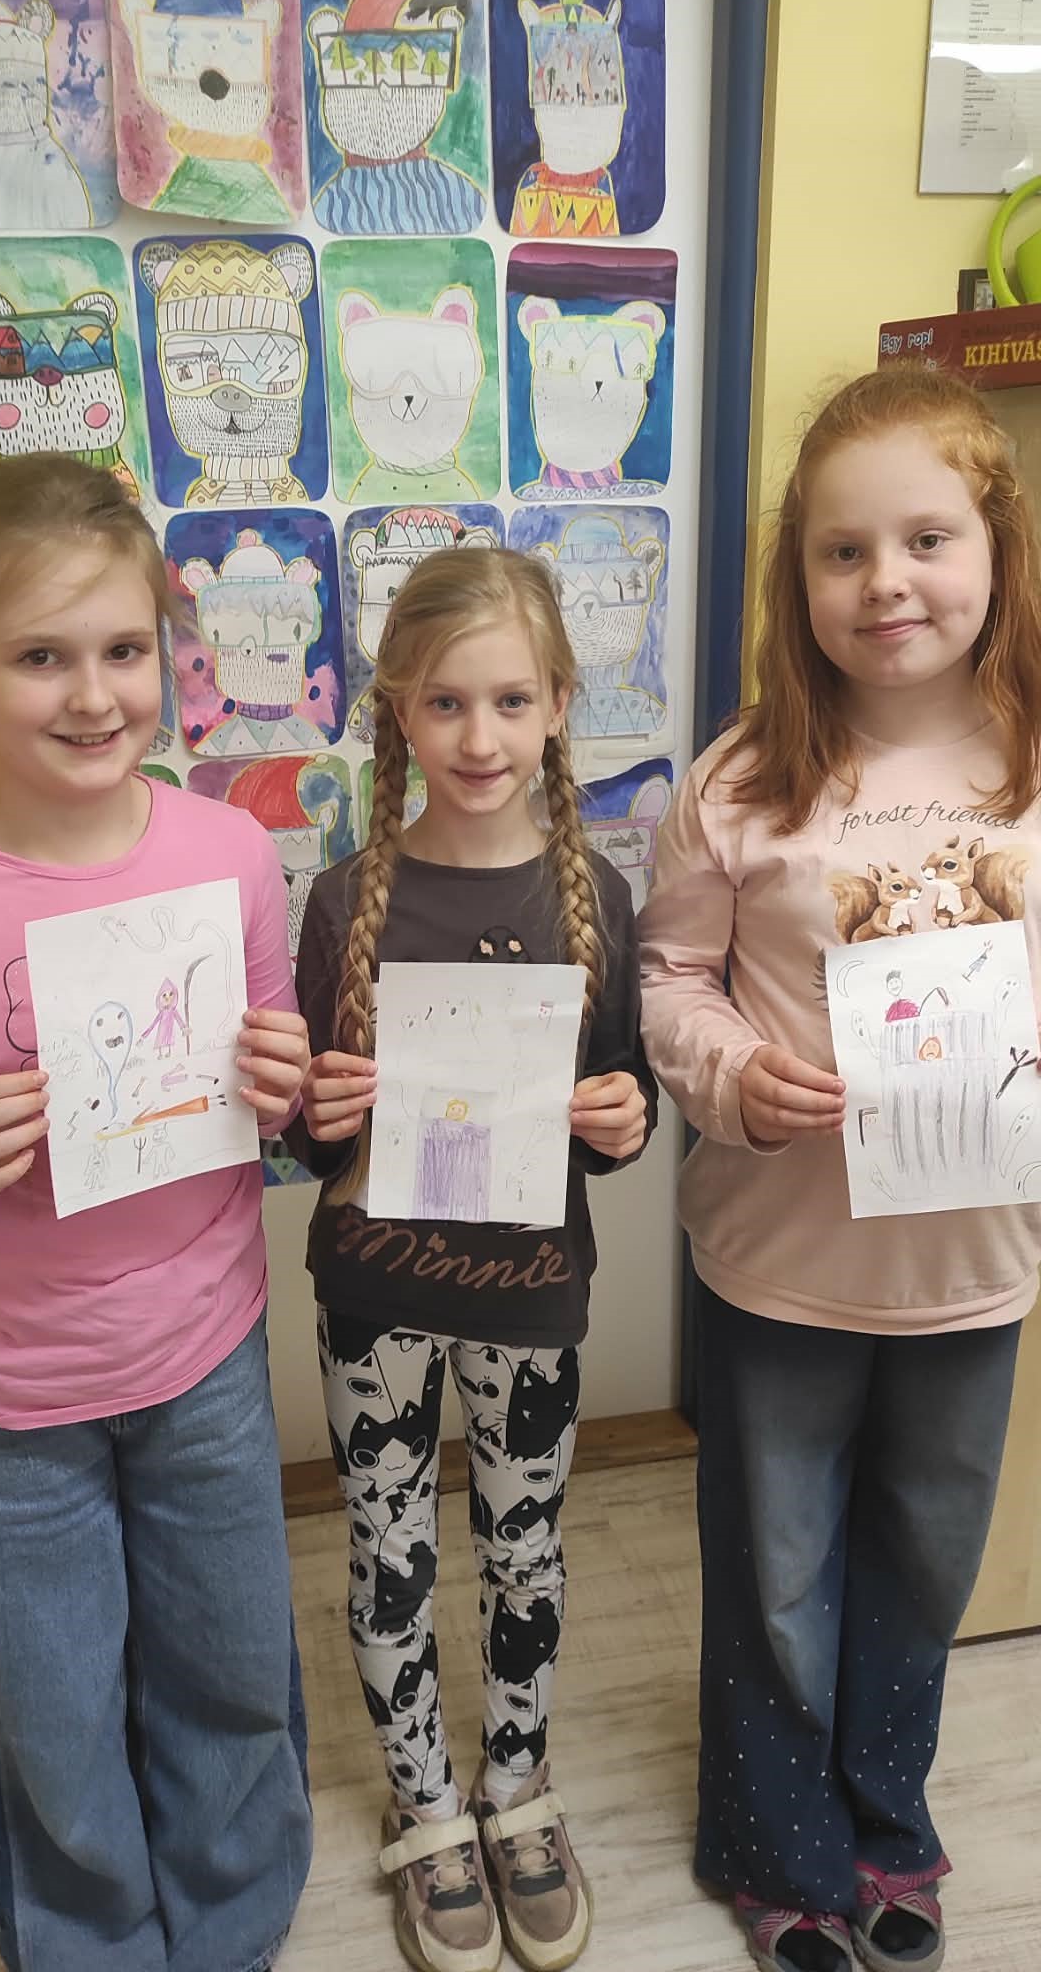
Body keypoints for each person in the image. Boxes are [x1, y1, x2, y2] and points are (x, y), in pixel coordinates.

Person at [638, 365, 1041, 1972]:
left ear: (997, 549)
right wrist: (734, 1075)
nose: (887, 583)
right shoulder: (742, 784)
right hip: (782, 1261)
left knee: (923, 1561)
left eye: (927, 540)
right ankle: (775, 1847)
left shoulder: (1034, 763)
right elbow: (670, 980)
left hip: (972, 1268)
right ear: (797, 577)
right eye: (843, 551)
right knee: (778, 1569)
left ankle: (887, 1824)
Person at [0, 456, 313, 1972]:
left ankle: (234, 1925)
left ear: (168, 653)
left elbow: (270, 1099)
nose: (91, 696)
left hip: (202, 1358)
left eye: (124, 650)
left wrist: (282, 1081)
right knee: (53, 1714)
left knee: (228, 1674)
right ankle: (94, 1945)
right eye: (38, 658)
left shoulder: (228, 851)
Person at [286, 547, 657, 1972]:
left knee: (524, 1550)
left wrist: (624, 1121)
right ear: (399, 710)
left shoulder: (595, 897)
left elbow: (611, 1104)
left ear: (559, 703)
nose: (481, 736)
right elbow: (310, 1135)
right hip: (375, 1296)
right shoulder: (344, 900)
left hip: (530, 1296)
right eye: (445, 702)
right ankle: (428, 1806)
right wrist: (319, 1115)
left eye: (510, 700)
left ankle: (515, 1786)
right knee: (389, 1551)